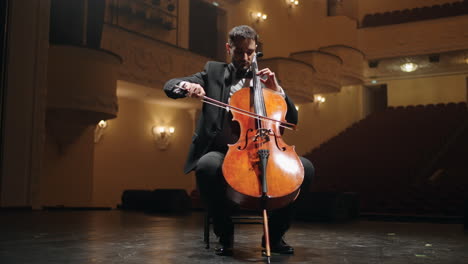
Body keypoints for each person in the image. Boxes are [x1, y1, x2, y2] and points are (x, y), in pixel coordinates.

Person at [164, 25, 314, 256]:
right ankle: (225, 233)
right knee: (206, 167)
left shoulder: (266, 82)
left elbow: (291, 120)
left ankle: (274, 236)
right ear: (228, 48)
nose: (245, 58)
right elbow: (170, 85)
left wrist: (279, 91)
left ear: (256, 50)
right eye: (238, 52)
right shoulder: (213, 72)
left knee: (305, 168)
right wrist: (187, 86)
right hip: (222, 151)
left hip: (265, 148)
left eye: (250, 52)